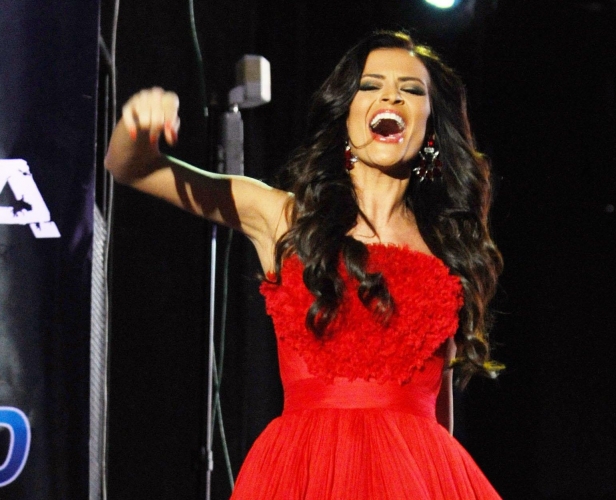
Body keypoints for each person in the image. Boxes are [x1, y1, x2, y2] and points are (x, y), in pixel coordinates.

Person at [106, 30, 503, 499]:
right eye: (370, 85)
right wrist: (135, 128)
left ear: (431, 126)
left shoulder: (446, 250)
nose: (391, 96)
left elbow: (438, 418)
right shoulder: (285, 219)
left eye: (412, 89)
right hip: (303, 474)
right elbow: (129, 167)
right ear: (346, 113)